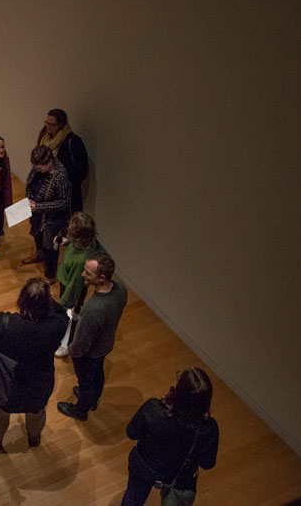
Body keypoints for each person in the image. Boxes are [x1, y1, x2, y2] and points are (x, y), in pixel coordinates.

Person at [0, 278, 67, 454]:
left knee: (0, 413)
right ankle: (34, 439)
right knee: (36, 411)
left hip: (6, 381)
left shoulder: (3, 323)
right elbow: (62, 312)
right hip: (40, 381)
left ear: (22, 300)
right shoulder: (58, 325)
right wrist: (45, 296)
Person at [121, 368, 219, 506]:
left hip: (144, 465)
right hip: (178, 476)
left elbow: (131, 433)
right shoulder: (208, 428)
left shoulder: (153, 408)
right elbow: (208, 463)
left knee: (133, 498)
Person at [57, 251, 127, 420]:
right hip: (105, 345)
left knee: (86, 381)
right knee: (97, 373)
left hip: (90, 353)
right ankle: (93, 400)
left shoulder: (94, 309)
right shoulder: (120, 287)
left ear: (101, 277)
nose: (83, 274)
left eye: (87, 273)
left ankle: (80, 410)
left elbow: (80, 344)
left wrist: (72, 351)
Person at [53, 212, 100, 358]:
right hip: (68, 283)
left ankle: (66, 344)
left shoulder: (81, 261)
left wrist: (61, 306)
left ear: (78, 236)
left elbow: (74, 286)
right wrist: (65, 242)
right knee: (71, 314)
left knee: (70, 316)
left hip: (71, 289)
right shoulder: (86, 243)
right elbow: (72, 243)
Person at [23, 146, 71, 285]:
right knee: (37, 234)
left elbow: (64, 203)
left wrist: (39, 206)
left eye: (41, 167)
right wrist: (30, 199)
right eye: (36, 166)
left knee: (50, 247)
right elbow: (30, 183)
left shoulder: (60, 176)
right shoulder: (38, 168)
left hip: (53, 218)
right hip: (38, 213)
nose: (38, 169)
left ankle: (50, 276)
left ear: (50, 161)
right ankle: (39, 254)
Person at [36, 108, 89, 213]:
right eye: (46, 122)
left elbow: (82, 170)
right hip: (48, 194)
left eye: (51, 124)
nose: (47, 126)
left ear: (61, 125)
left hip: (66, 195)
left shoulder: (73, 142)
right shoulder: (44, 138)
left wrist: (61, 178)